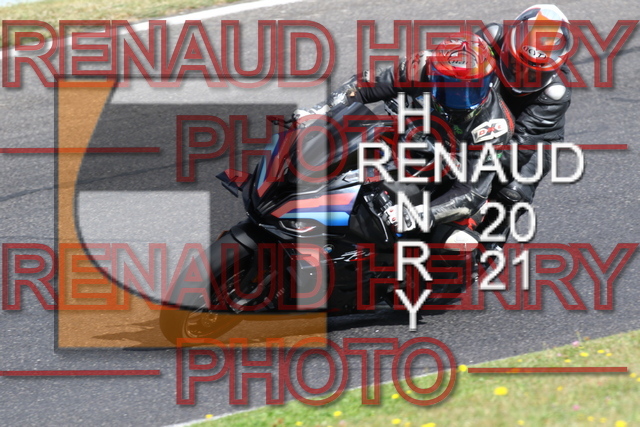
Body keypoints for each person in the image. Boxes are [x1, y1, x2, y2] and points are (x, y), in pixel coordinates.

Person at [474, 4, 574, 246]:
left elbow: (518, 149)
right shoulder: (490, 38)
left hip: (531, 138)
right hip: (482, 108)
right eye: (516, 64)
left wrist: (469, 160)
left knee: (512, 193)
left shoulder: (556, 92)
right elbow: (448, 62)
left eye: (533, 73)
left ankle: (485, 249)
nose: (521, 75)